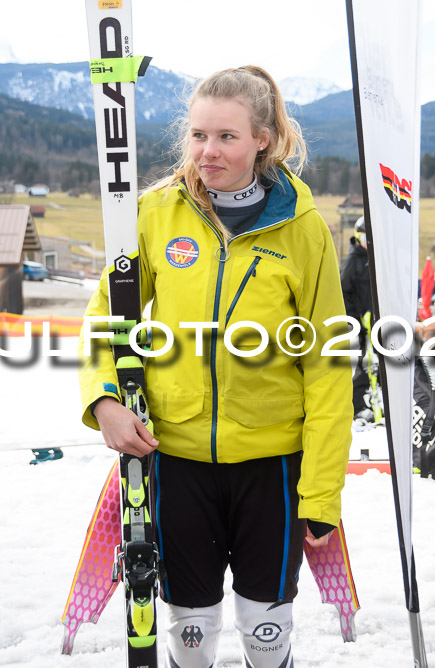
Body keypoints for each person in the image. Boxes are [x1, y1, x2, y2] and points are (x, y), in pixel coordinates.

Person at [79, 66, 353, 668]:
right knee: (190, 632)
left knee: (266, 630)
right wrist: (104, 403)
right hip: (175, 461)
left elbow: (329, 367)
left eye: (227, 137)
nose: (208, 152)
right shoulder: (155, 214)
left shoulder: (302, 227)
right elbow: (106, 317)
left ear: (263, 138)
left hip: (273, 468)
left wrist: (322, 492)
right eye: (198, 135)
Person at [340, 216, 375, 418]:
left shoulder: (375, 259)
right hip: (358, 322)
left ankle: (373, 398)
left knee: (376, 362)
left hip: (374, 320)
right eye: (364, 237)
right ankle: (356, 405)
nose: (367, 242)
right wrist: (354, 319)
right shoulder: (354, 260)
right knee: (360, 363)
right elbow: (342, 292)